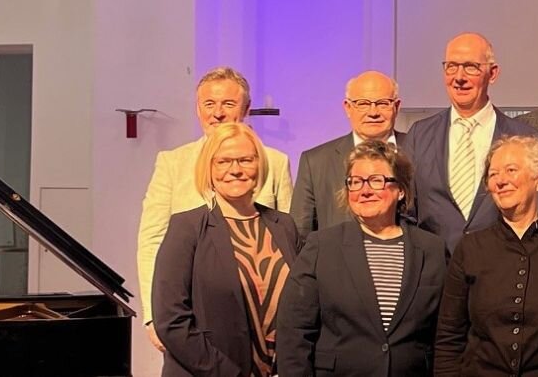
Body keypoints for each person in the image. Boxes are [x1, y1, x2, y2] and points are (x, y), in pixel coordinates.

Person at [139, 66, 293, 352]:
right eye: (209, 104)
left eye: (228, 104)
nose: (217, 113)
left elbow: (289, 243)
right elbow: (151, 242)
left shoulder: (275, 162)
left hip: (260, 321)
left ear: (246, 108)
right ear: (198, 109)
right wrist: (153, 316)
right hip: (192, 318)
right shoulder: (172, 163)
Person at [276, 141, 447, 376]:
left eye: (377, 180)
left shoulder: (432, 249)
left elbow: (446, 333)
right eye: (355, 182)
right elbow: (293, 331)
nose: (365, 190)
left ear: (401, 190)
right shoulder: (321, 247)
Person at [435, 136, 538, 375]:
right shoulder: (470, 247)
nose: (501, 181)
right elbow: (449, 337)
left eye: (511, 170)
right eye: (493, 174)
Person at [153, 123, 301, 377]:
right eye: (223, 162)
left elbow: (303, 302)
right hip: (209, 372)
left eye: (245, 160)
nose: (235, 170)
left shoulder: (284, 225)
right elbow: (171, 320)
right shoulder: (186, 227)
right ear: (208, 170)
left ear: (260, 165)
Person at [399, 32, 538, 251]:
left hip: (501, 270)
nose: (459, 77)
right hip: (436, 274)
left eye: (470, 67)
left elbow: (534, 214)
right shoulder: (419, 135)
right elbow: (406, 213)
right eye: (451, 66)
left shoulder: (524, 138)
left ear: (492, 74)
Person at [292, 71, 407, 238]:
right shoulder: (315, 162)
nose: (373, 112)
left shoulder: (419, 150)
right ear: (348, 107)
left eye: (382, 103)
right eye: (363, 103)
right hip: (335, 262)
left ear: (396, 107)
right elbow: (300, 235)